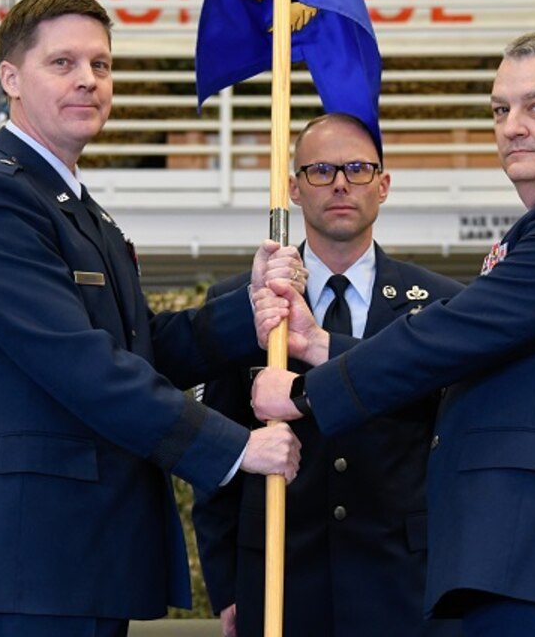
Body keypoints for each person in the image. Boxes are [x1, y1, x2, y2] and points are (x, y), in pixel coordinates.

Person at [250, 32, 535, 636]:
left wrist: (305, 392)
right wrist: (319, 344)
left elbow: (453, 334)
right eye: (500, 108)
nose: (512, 125)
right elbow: (472, 354)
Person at [0, 0, 302, 637]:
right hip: (26, 562)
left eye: (100, 64)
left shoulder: (74, 206)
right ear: (11, 78)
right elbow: (82, 364)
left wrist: (252, 311)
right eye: (62, 63)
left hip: (76, 558)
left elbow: (136, 343)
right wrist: (235, 448)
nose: (88, 80)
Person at [192, 114, 464, 637]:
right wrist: (227, 586)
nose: (340, 183)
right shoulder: (242, 304)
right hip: (279, 582)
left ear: (383, 186)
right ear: (292, 187)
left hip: (404, 583)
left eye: (358, 169)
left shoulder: (440, 303)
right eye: (319, 170)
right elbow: (217, 452)